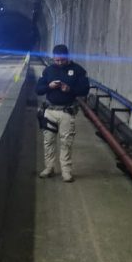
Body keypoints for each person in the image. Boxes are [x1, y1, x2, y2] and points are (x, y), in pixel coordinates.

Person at [35, 44, 90, 182]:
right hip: (50, 111)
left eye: (62, 60)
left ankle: (66, 171)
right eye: (57, 60)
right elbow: (38, 89)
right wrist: (49, 86)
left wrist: (69, 89)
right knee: (48, 141)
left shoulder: (78, 70)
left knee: (66, 142)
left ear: (67, 57)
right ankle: (49, 168)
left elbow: (85, 90)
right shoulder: (48, 71)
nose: (59, 63)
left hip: (66, 111)